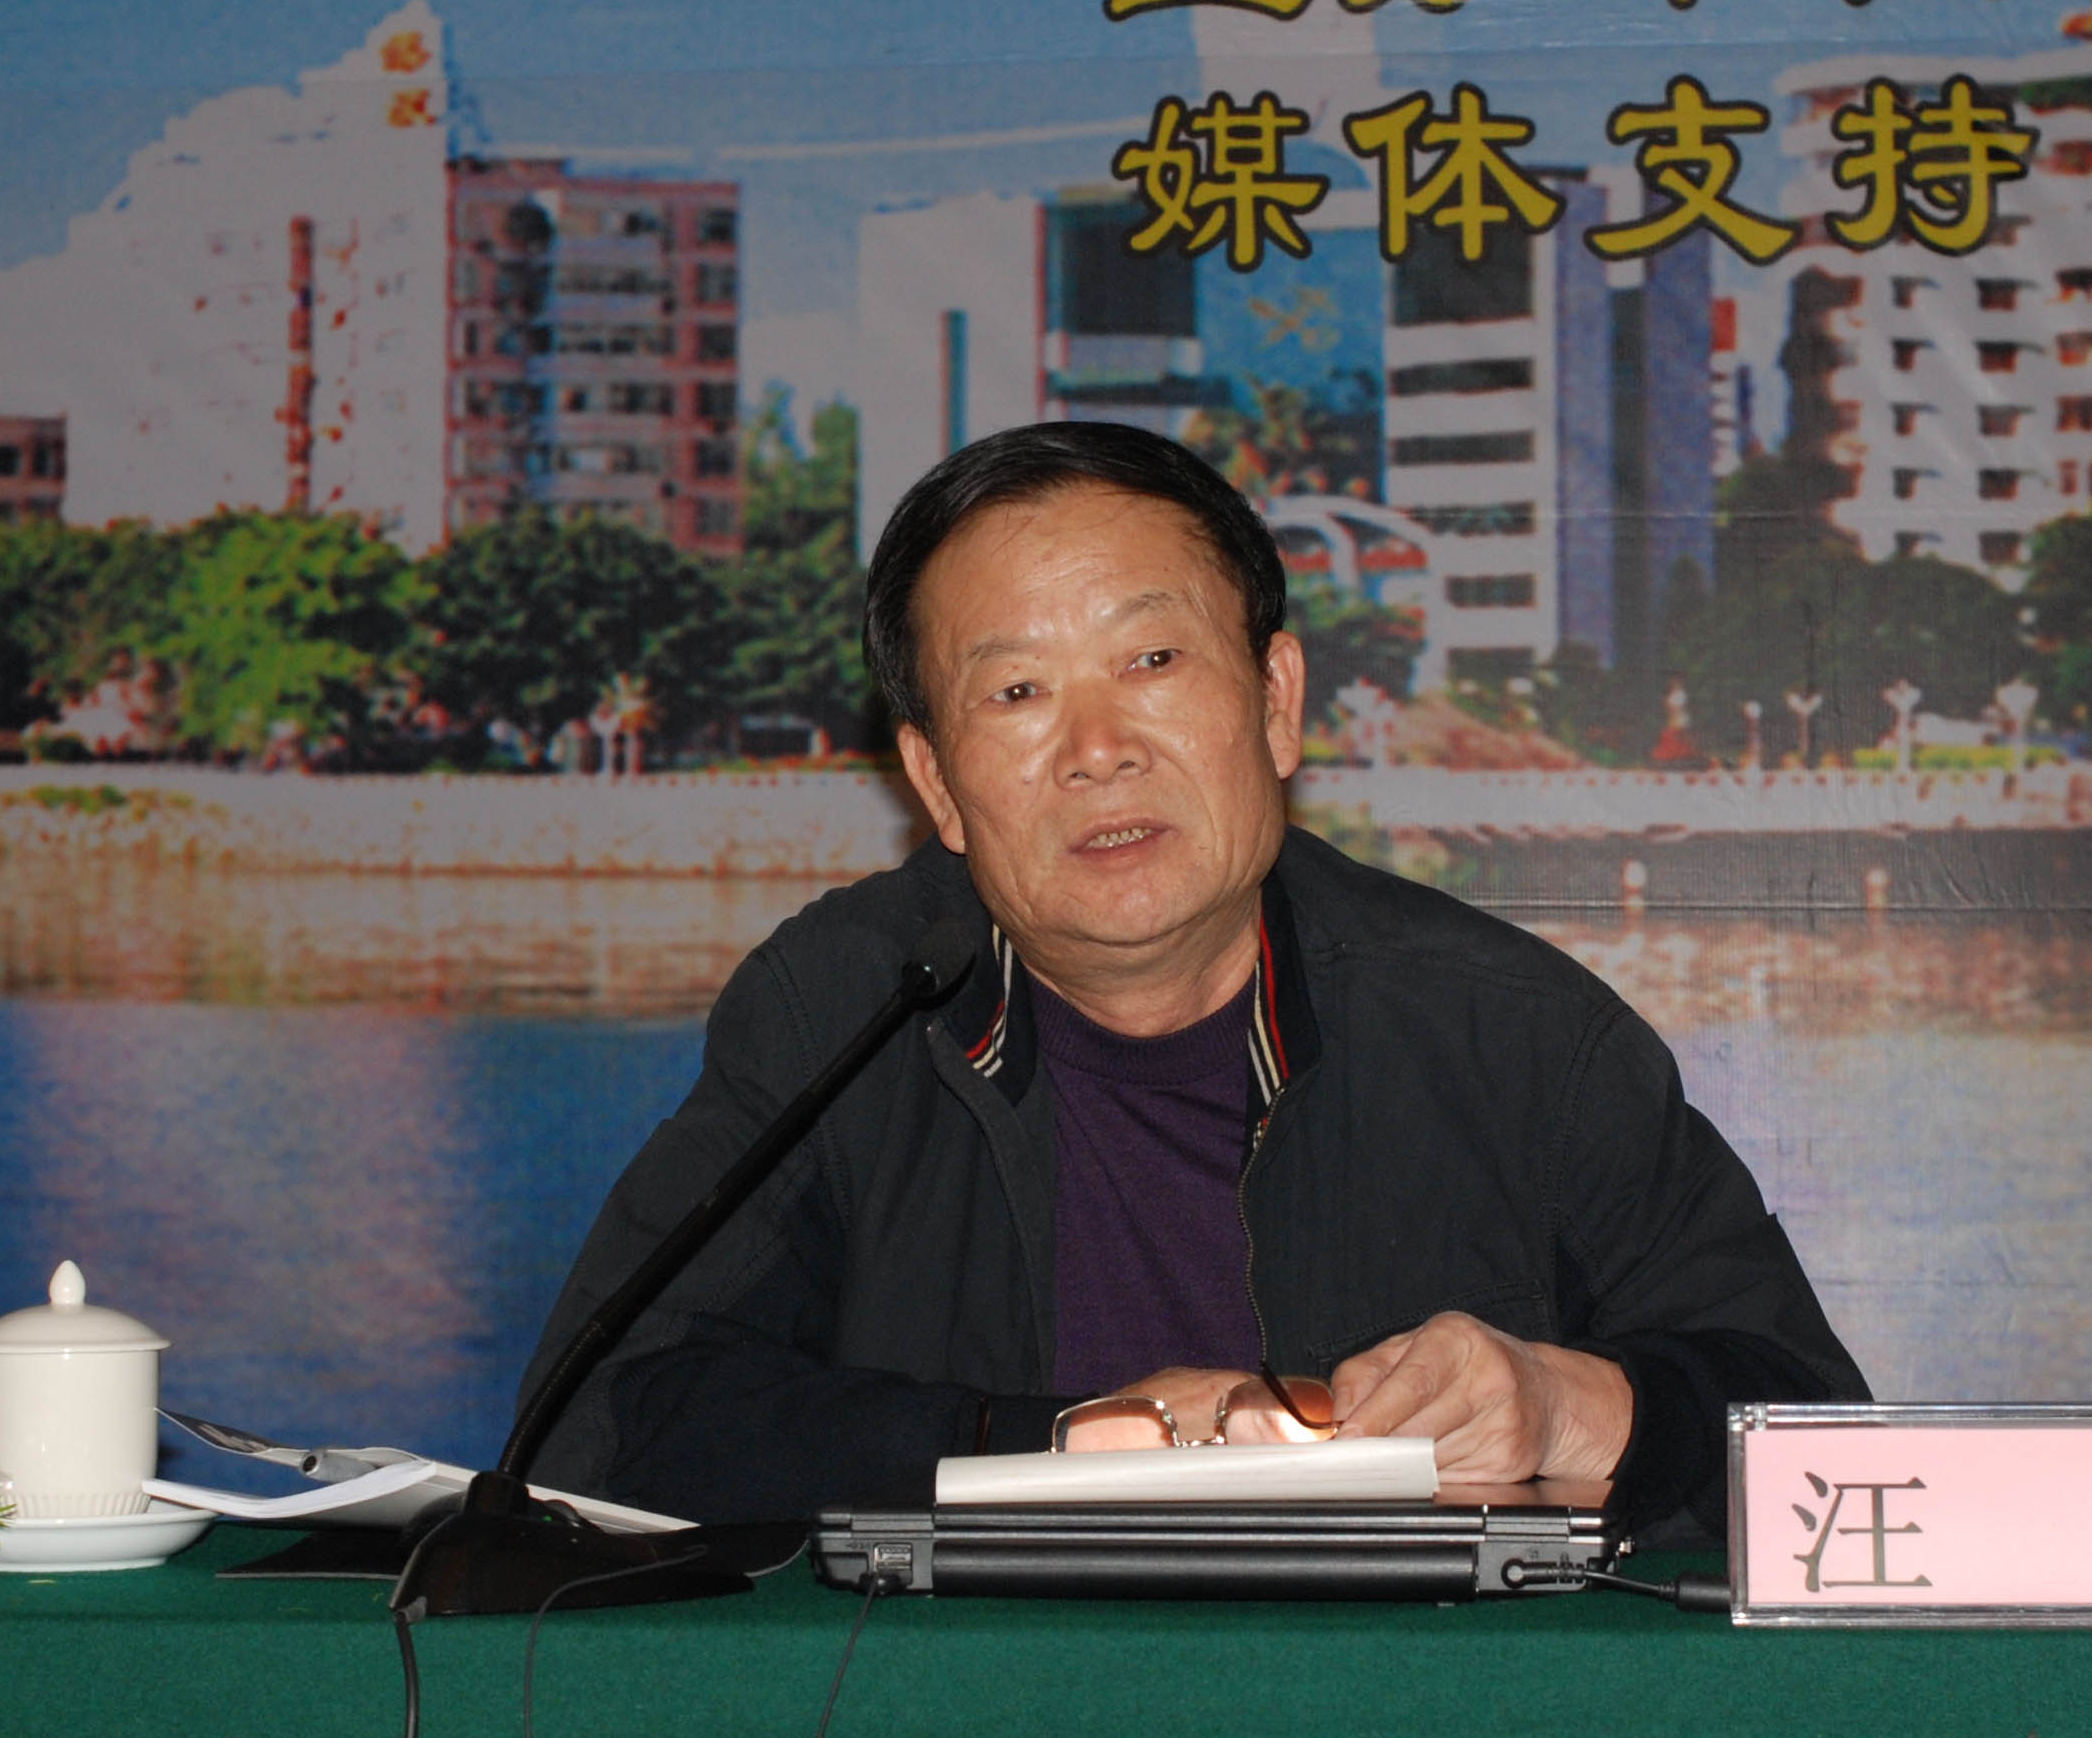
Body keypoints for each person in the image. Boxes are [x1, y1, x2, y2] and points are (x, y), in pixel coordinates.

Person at [518, 421, 1864, 1535]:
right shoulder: (844, 1007)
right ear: (933, 778)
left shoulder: (1513, 1036)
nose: (1097, 747)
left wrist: (1565, 1410)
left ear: (1276, 702)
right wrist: (1075, 1447)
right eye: (1017, 693)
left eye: (1152, 661)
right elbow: (601, 1424)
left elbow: (1828, 1452)